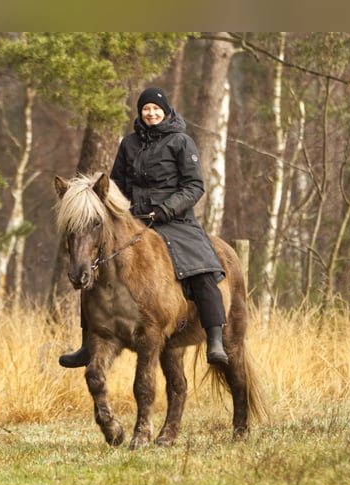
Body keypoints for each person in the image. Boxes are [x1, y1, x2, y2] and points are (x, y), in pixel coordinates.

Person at [59, 86, 228, 368]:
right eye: (145, 109)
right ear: (140, 112)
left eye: (155, 109)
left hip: (176, 220)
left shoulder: (181, 142)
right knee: (95, 269)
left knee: (202, 267)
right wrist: (121, 211)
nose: (150, 113)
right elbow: (117, 184)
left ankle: (214, 338)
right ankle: (88, 344)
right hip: (135, 219)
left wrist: (165, 209)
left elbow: (194, 186)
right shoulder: (129, 144)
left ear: (166, 111)